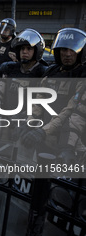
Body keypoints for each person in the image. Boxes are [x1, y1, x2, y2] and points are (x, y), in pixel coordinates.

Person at [21, 28, 86, 158]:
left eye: (72, 50)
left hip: (69, 144)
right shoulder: (51, 72)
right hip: (44, 139)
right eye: (64, 49)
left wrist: (44, 132)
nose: (68, 54)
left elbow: (73, 111)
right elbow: (38, 103)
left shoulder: (82, 75)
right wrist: (29, 124)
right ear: (57, 51)